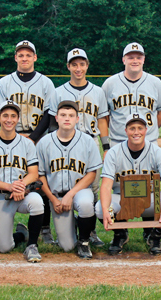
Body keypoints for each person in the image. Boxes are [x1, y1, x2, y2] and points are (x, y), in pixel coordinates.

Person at [0, 40, 57, 244]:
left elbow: (49, 114)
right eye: (21, 54)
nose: (25, 58)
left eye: (29, 54)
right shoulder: (4, 82)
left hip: (39, 137)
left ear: (35, 57)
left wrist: (33, 138)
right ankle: (6, 221)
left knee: (40, 180)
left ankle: (44, 228)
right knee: (9, 176)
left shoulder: (46, 82)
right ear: (16, 58)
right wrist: (15, 136)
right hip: (12, 137)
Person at [96, 114, 161, 255]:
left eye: (140, 128)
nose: (136, 132)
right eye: (132, 128)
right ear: (126, 131)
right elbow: (105, 186)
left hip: (150, 201)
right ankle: (120, 234)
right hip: (121, 199)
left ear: (146, 130)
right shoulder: (113, 153)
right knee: (100, 208)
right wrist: (106, 210)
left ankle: (155, 236)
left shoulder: (156, 152)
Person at [48, 48, 108, 247]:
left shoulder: (98, 91)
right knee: (62, 182)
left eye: (82, 64)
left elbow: (102, 119)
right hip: (64, 142)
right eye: (74, 64)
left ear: (87, 65)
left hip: (90, 142)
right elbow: (52, 122)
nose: (78, 68)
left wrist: (106, 146)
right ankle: (62, 226)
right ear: (68, 67)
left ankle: (90, 232)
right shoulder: (58, 92)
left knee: (92, 189)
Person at [0, 100, 43, 261]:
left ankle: (32, 245)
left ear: (18, 118)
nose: (9, 119)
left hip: (22, 194)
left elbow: (33, 174)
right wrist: (10, 187)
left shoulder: (27, 144)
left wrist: (20, 186)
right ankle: (22, 234)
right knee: (4, 247)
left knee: (36, 202)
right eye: (5, 115)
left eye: (13, 116)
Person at [37, 101, 103, 259]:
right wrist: (52, 199)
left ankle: (85, 241)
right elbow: (40, 176)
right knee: (66, 246)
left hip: (80, 191)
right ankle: (74, 223)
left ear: (77, 119)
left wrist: (70, 194)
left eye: (71, 115)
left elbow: (91, 174)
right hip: (56, 197)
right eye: (63, 115)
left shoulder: (87, 141)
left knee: (87, 204)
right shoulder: (44, 143)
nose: (67, 118)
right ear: (56, 118)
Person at [102, 42, 161, 146]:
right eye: (131, 58)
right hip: (118, 142)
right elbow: (103, 114)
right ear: (123, 60)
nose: (135, 61)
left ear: (143, 59)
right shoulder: (110, 84)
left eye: (139, 57)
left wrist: (150, 128)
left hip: (149, 142)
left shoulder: (156, 83)